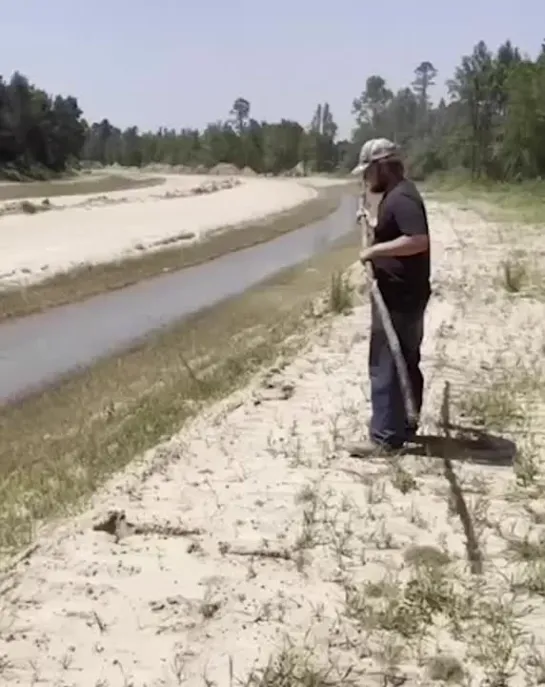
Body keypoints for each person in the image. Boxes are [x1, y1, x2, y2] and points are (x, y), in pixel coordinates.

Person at [347, 138, 431, 456]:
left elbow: (417, 239)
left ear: (382, 166)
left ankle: (384, 438)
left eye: (368, 172)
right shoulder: (397, 195)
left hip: (399, 297)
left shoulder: (402, 198)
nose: (367, 179)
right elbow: (396, 232)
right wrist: (371, 223)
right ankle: (406, 423)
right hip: (407, 293)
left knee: (386, 363)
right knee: (405, 360)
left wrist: (373, 250)